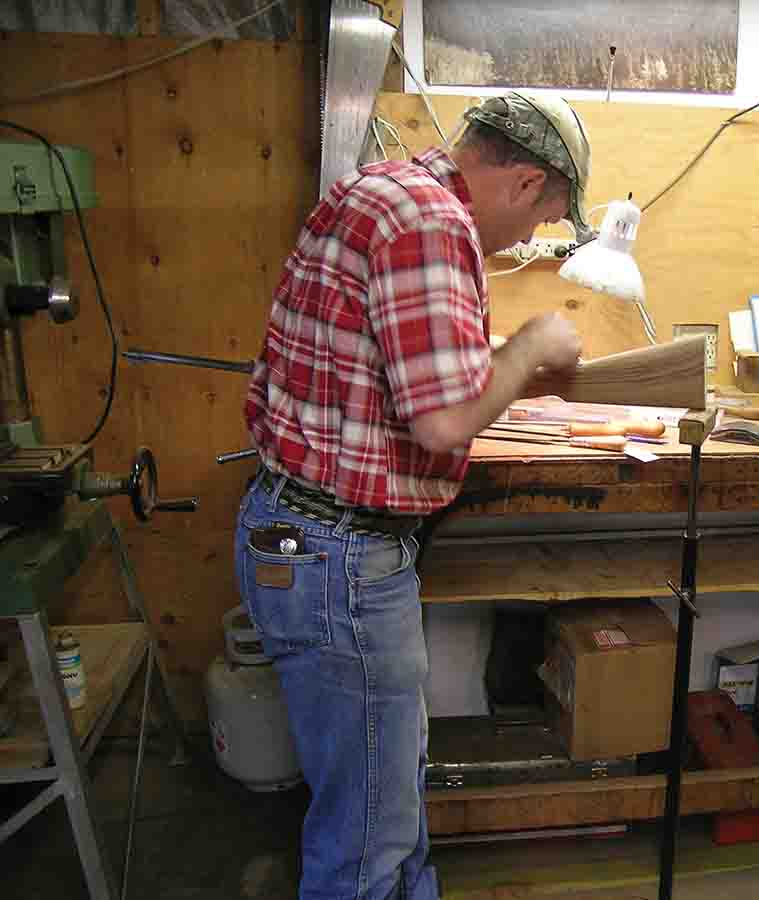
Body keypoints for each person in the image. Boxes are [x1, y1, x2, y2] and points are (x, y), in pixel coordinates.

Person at [235, 92, 591, 900]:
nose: (528, 240)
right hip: (340, 557)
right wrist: (534, 343)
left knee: (383, 801)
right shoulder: (431, 222)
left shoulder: (375, 189)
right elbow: (442, 421)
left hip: (304, 538)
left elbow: (402, 371)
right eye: (544, 220)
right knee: (368, 833)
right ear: (526, 182)